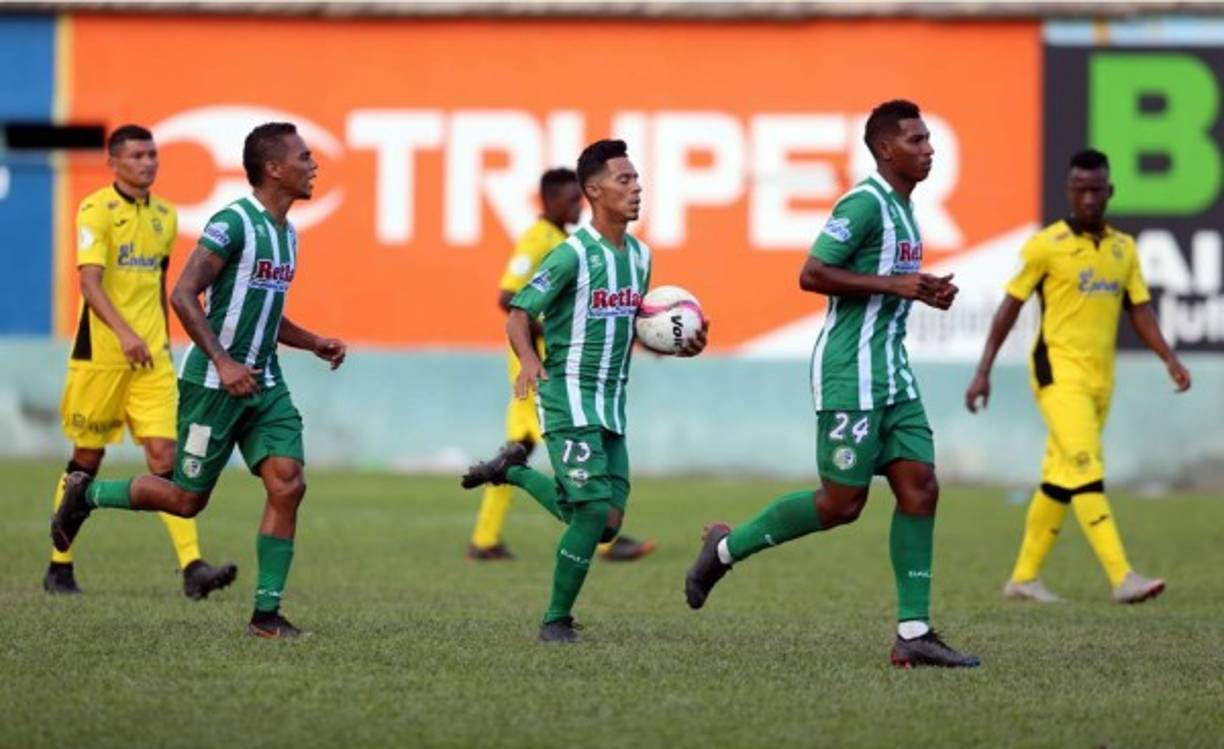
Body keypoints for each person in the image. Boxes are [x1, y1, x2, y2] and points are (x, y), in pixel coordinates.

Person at [684, 100, 979, 668]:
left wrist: (922, 290)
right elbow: (812, 273)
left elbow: (890, 284)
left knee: (921, 487)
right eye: (916, 141)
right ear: (886, 149)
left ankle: (913, 633)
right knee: (841, 505)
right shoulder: (864, 203)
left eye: (928, 139)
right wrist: (896, 285)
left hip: (892, 374)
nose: (929, 149)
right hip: (849, 374)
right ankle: (722, 550)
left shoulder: (905, 209)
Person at [52, 122, 347, 639]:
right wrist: (224, 362)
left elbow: (264, 314)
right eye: (304, 157)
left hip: (264, 383)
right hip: (213, 384)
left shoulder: (287, 234)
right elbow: (185, 296)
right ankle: (87, 494)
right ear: (274, 168)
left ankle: (266, 615)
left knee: (288, 482)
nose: (313, 165)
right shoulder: (232, 223)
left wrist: (313, 340)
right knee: (187, 499)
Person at [461, 139, 706, 642]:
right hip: (567, 394)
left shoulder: (640, 257)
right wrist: (530, 361)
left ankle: (514, 471)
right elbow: (518, 312)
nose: (636, 188)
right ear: (593, 190)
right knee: (592, 511)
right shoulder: (569, 255)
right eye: (624, 180)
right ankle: (555, 620)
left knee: (609, 522)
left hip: (612, 402)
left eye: (637, 179)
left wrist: (681, 344)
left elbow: (637, 329)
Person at [965, 148, 1190, 604]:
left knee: (1061, 476)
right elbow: (1010, 307)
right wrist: (983, 370)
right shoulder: (1046, 245)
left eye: (1096, 189)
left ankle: (1023, 579)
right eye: (1080, 190)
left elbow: (1140, 310)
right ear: (1069, 192)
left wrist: (1169, 358)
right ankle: (1122, 576)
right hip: (1057, 374)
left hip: (1101, 378)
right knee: (1088, 465)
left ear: (1109, 192)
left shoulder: (1123, 249)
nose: (1088, 198)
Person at [46, 123, 235, 599]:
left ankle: (193, 566)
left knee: (166, 458)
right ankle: (59, 566)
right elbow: (90, 283)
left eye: (152, 154)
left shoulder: (166, 217)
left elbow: (157, 287)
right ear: (114, 162)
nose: (147, 162)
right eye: (137, 156)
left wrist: (156, 335)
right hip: (102, 358)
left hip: (151, 359)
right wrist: (125, 333)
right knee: (86, 460)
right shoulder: (95, 210)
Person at [467, 167, 656, 563]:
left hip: (560, 365)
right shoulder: (538, 240)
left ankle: (488, 538)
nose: (576, 205)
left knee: (527, 446)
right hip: (541, 364)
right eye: (570, 199)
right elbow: (508, 298)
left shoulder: (567, 240)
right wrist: (538, 345)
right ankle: (493, 538)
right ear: (549, 201)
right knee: (532, 444)